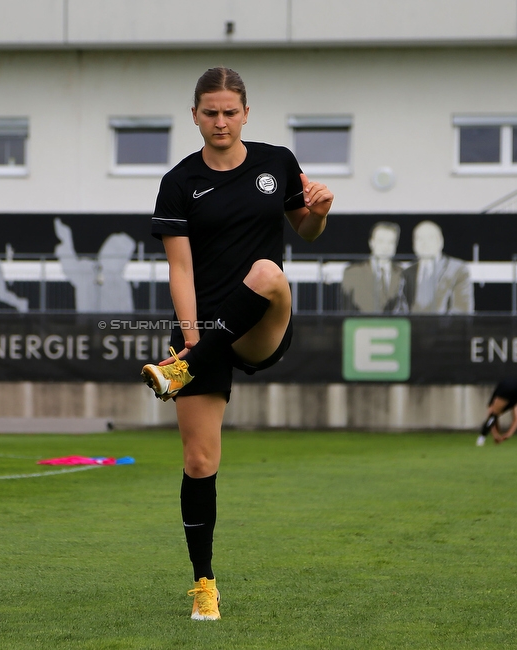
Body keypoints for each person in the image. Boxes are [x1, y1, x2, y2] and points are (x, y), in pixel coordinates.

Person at [140, 67, 333, 621]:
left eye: (230, 111)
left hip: (260, 327)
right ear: (195, 115)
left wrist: (319, 212)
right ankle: (204, 583)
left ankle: (185, 367)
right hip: (200, 331)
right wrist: (194, 340)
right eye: (210, 112)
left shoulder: (277, 162)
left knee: (269, 272)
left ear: (246, 113)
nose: (220, 121)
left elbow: (307, 230)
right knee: (199, 461)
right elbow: (180, 270)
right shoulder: (179, 181)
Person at [403, 220, 474, 314]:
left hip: (445, 328)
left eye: (430, 238)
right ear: (414, 244)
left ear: (440, 242)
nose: (424, 243)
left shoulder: (458, 270)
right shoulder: (407, 272)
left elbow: (462, 312)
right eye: (419, 239)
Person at [341, 221, 407, 313]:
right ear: (371, 243)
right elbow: (346, 309)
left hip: (393, 326)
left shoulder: (403, 273)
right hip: (361, 326)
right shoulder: (352, 272)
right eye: (381, 241)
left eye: (390, 242)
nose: (385, 247)